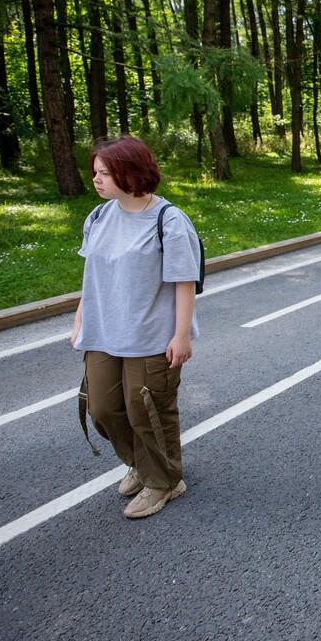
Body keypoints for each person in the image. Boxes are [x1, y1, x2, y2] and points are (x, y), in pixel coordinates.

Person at [72, 136, 200, 519]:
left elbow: (184, 281)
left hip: (151, 335)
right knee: (102, 409)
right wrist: (80, 319)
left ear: (131, 173)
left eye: (104, 173)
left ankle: (164, 482)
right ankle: (142, 466)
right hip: (104, 332)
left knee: (146, 410)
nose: (96, 180)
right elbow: (92, 275)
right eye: (95, 172)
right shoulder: (98, 217)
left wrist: (181, 335)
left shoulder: (168, 220)